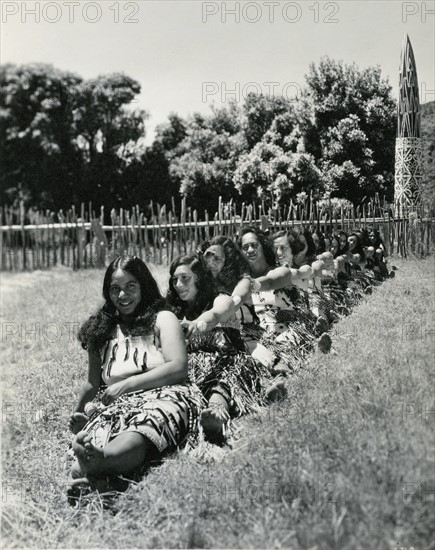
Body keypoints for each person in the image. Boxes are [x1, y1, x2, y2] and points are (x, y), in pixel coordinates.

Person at [68, 255, 202, 494]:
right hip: (116, 405)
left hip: (166, 393)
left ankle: (102, 461)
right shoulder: (100, 330)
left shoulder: (163, 318)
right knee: (101, 429)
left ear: (144, 286)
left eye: (131, 286)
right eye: (115, 289)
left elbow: (178, 367)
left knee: (145, 422)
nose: (122, 295)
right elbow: (92, 382)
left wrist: (126, 386)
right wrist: (78, 414)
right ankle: (97, 474)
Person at [167, 254, 273, 444]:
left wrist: (197, 324)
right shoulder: (172, 311)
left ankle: (217, 412)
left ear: (199, 277)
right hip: (191, 371)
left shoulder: (220, 298)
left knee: (224, 376)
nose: (178, 284)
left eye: (185, 278)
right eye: (174, 279)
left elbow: (216, 314)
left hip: (228, 362)